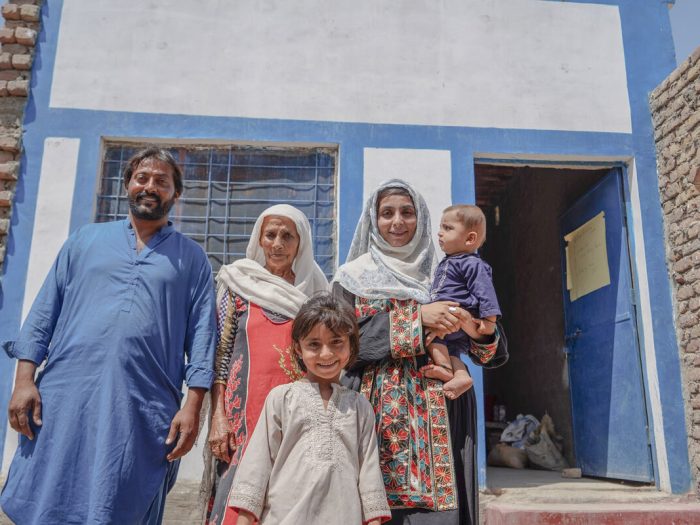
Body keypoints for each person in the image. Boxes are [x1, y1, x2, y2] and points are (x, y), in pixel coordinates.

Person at [0, 147, 216, 524]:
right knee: (50, 494)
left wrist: (193, 405)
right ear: (128, 185)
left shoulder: (192, 259)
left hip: (140, 405)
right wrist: (24, 380)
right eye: (142, 178)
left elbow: (202, 337)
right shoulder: (85, 240)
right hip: (67, 398)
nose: (150, 187)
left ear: (175, 195)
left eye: (161, 181)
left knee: (121, 498)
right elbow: (43, 312)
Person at [332, 179, 499, 525]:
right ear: (372, 220)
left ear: (421, 218)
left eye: (407, 212)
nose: (397, 222)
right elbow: (339, 346)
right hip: (371, 417)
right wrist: (418, 317)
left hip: (439, 417)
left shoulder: (446, 273)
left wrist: (471, 338)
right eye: (386, 213)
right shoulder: (351, 278)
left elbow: (489, 350)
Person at [203, 204, 329, 525]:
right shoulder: (239, 284)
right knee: (235, 507)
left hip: (294, 422)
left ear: (301, 243)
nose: (278, 243)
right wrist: (218, 417)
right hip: (240, 422)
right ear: (259, 240)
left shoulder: (316, 295)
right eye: (270, 235)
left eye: (288, 236)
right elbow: (220, 354)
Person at [229, 293, 391, 525]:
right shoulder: (282, 399)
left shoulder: (360, 407)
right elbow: (257, 466)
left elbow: (369, 474)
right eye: (314, 344)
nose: (326, 354)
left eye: (337, 342)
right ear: (298, 348)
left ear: (351, 345)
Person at [421, 204, 501, 399]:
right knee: (454, 351)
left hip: (455, 315)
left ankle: (443, 367)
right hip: (454, 323)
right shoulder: (450, 261)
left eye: (447, 228)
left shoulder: (471, 263)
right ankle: (460, 375)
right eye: (440, 227)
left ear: (470, 238)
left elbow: (486, 293)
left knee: (432, 337)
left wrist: (489, 321)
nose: (440, 233)